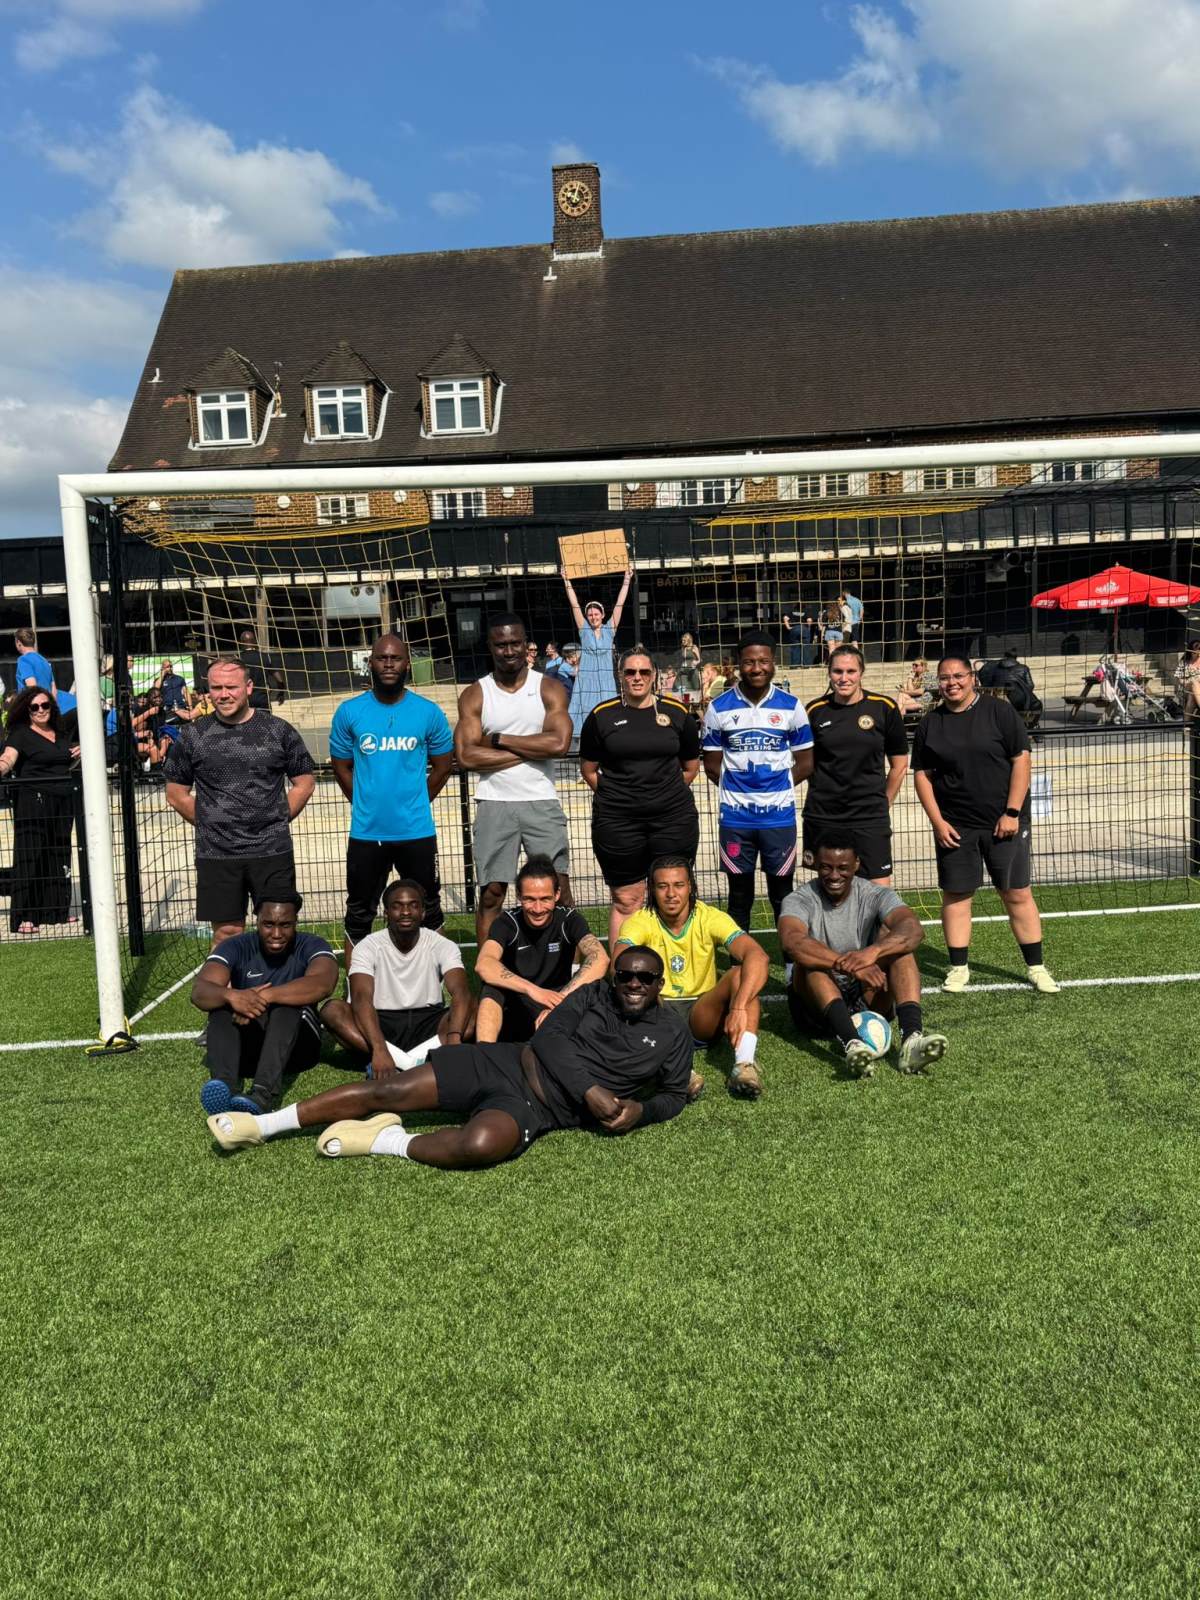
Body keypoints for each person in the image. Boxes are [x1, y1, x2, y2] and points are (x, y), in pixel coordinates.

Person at [207, 944, 692, 1169]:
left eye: (644, 978)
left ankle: (385, 1139)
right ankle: (262, 1125)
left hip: (539, 1110)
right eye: (625, 975)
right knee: (390, 1088)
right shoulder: (591, 995)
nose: (633, 984)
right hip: (505, 1062)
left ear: (659, 984)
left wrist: (641, 1111)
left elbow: (673, 1093)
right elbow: (548, 1040)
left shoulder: (673, 1032)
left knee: (480, 1146)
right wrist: (591, 1090)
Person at [911, 655, 1059, 994]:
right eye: (944, 678)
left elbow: (1021, 760)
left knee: (1016, 892)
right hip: (955, 825)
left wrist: (1012, 812)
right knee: (956, 894)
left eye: (958, 676)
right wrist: (937, 821)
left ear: (972, 678)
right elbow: (922, 775)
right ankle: (958, 968)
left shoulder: (999, 712)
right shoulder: (931, 723)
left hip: (1003, 822)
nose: (952, 683)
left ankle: (1036, 967)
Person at [163, 656, 316, 946]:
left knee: (277, 931)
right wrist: (211, 822)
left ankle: (274, 979)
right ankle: (227, 978)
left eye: (231, 687)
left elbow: (305, 783)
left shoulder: (278, 730)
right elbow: (175, 793)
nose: (223, 695)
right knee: (227, 934)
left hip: (271, 850)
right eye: (216, 688)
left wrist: (276, 817)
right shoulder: (193, 735)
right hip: (217, 853)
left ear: (248, 687)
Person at [329, 633, 454, 961]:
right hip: (367, 833)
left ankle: (437, 978)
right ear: (370, 663)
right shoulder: (349, 712)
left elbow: (443, 766)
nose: (388, 664)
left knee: (429, 908)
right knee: (359, 912)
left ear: (407, 664)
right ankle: (357, 982)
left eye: (395, 658)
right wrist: (364, 802)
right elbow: (341, 766)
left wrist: (416, 801)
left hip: (416, 831)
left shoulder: (428, 712)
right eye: (381, 658)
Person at [779, 840, 948, 1078]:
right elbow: (792, 942)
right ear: (815, 864)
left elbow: (913, 929)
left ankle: (911, 1040)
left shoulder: (875, 893)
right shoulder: (799, 899)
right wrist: (849, 966)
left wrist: (873, 952)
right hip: (816, 1007)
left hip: (867, 991)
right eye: (826, 867)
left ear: (856, 864)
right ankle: (853, 1045)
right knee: (808, 965)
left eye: (843, 868)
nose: (834, 875)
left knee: (901, 950)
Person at [454, 615, 573, 948]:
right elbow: (466, 757)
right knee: (492, 893)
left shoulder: (548, 687)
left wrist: (499, 739)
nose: (509, 651)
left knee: (558, 888)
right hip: (494, 801)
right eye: (501, 645)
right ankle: (489, 969)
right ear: (490, 647)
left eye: (515, 643)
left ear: (526, 644)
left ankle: (568, 966)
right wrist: (531, 750)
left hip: (540, 800)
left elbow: (559, 745)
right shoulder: (476, 693)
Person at [616, 855, 771, 1101]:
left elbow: (758, 956)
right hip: (659, 1010)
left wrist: (739, 1006)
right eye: (662, 886)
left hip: (703, 1013)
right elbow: (619, 961)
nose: (671, 894)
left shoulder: (709, 917)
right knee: (630, 985)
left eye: (678, 885)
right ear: (652, 890)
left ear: (690, 886)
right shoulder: (641, 921)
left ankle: (744, 1066)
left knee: (742, 976)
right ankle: (678, 1071)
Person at [581, 644, 701, 950]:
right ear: (620, 675)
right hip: (618, 822)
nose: (637, 677)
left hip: (672, 819)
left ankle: (677, 969)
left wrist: (662, 794)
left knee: (672, 894)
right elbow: (589, 770)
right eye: (630, 672)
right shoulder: (601, 716)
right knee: (627, 899)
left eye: (644, 671)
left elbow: (690, 767)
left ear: (654, 675)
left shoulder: (677, 712)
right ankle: (624, 971)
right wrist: (621, 797)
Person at [702, 632, 814, 929]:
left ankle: (790, 956)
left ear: (773, 662)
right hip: (736, 819)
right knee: (739, 896)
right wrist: (742, 789)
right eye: (749, 662)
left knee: (782, 894)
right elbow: (711, 766)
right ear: (738, 664)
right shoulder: (718, 708)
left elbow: (806, 763)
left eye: (763, 661)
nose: (756, 668)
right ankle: (741, 956)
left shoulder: (791, 706)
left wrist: (775, 787)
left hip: (779, 817)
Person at [194, 895, 338, 1115]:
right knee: (220, 1007)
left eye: (285, 925)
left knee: (286, 1006)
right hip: (248, 1054)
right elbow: (200, 991)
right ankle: (225, 1087)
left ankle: (262, 1095)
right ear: (257, 920)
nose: (277, 934)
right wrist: (233, 997)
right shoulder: (236, 946)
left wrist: (264, 997)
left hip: (298, 1051)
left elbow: (323, 984)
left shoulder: (312, 944)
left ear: (296, 922)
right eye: (268, 924)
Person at [319, 879, 476, 1077]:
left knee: (475, 1007)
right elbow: (361, 998)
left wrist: (453, 1038)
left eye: (413, 905)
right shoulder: (367, 946)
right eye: (397, 906)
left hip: (429, 1020)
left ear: (423, 912)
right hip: (380, 1021)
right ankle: (409, 1060)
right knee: (333, 1010)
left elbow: (461, 992)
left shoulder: (442, 944)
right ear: (386, 913)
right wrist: (379, 1047)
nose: (405, 912)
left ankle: (400, 1064)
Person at [803, 645, 909, 885]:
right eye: (837, 671)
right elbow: (805, 762)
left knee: (879, 890)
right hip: (825, 815)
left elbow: (900, 765)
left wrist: (884, 803)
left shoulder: (884, 707)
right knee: (831, 888)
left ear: (861, 672)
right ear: (829, 673)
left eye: (851, 671)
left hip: (869, 816)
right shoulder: (814, 711)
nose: (844, 678)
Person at [474, 854, 609, 1042]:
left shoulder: (569, 919)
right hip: (519, 1002)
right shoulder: (507, 922)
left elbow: (600, 958)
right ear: (519, 896)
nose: (538, 909)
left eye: (545, 899)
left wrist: (559, 1000)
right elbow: (484, 964)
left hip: (558, 999)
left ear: (557, 895)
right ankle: (484, 1052)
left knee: (599, 988)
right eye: (529, 899)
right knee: (491, 989)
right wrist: (532, 990)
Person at [0, 687, 79, 934]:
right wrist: (2, 766)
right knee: (30, 856)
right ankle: (24, 916)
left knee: (58, 853)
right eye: (35, 707)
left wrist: (79, 753)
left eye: (45, 705)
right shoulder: (20, 734)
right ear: (27, 710)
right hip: (32, 801)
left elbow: (64, 761)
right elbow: (9, 757)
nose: (41, 710)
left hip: (63, 802)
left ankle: (56, 912)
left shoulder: (61, 733)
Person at [561, 562, 633, 740]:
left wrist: (627, 579)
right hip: (586, 680)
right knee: (585, 723)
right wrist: (566, 580)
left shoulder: (610, 630)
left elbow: (619, 604)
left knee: (607, 721)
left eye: (596, 614)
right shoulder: (584, 629)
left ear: (602, 615)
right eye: (590, 615)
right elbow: (574, 604)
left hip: (605, 681)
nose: (593, 617)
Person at [237, 628, 286, 709]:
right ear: (255, 642)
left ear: (241, 643)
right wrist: (281, 693)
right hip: (263, 699)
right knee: (265, 717)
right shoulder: (265, 657)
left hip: (246, 700)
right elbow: (279, 680)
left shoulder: (238, 659)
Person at [13, 629, 56, 702]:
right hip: (47, 704)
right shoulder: (44, 660)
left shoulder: (23, 660)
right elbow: (54, 689)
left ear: (19, 643)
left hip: (32, 705)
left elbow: (32, 686)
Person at [157, 659, 194, 728]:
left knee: (185, 728)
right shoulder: (160, 680)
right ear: (163, 668)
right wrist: (162, 675)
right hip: (167, 710)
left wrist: (191, 707)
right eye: (167, 667)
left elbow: (186, 692)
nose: (170, 668)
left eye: (171, 666)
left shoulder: (180, 679)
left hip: (181, 707)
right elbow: (155, 688)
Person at [677, 632, 702, 701]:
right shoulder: (683, 648)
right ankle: (686, 704)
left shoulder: (694, 648)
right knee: (684, 690)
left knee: (693, 689)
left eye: (684, 640)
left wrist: (695, 662)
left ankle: (695, 703)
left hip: (692, 671)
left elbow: (700, 660)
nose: (682, 642)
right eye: (682, 640)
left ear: (689, 640)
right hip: (684, 671)